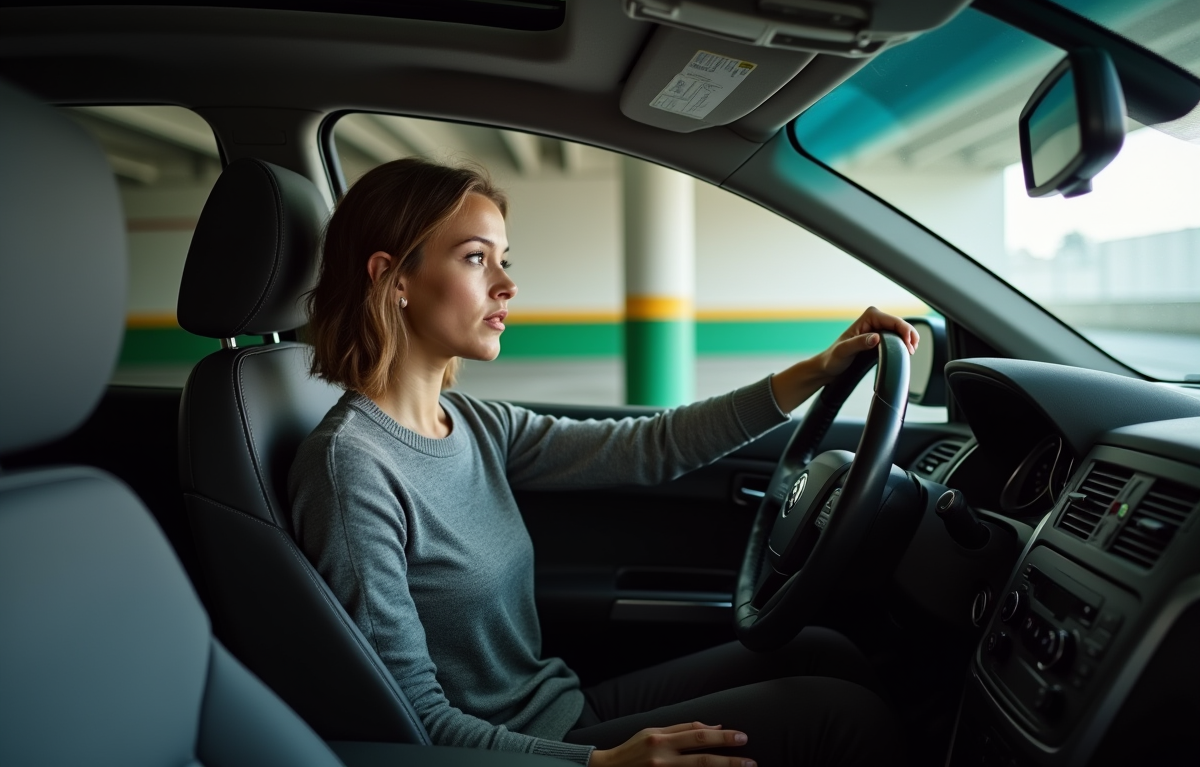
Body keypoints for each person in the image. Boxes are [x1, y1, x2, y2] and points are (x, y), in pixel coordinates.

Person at [289, 158, 918, 766]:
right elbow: (410, 715)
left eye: (503, 261)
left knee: (822, 652)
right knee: (842, 717)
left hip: (561, 709)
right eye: (476, 258)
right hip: (516, 751)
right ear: (393, 278)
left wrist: (817, 369)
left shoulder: (476, 423)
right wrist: (595, 761)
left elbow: (653, 446)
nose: (507, 285)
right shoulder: (352, 466)